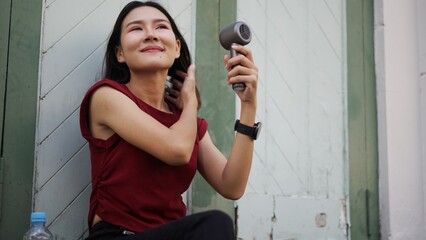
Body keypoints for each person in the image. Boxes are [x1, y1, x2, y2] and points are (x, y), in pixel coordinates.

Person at [79, 1, 259, 239]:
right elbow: (178, 151)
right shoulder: (106, 97)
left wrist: (248, 104)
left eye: (161, 27)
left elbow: (231, 185)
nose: (150, 35)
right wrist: (191, 103)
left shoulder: (184, 120)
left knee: (217, 225)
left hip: (171, 232)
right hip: (118, 234)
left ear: (176, 48)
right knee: (216, 223)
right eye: (136, 29)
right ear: (120, 53)